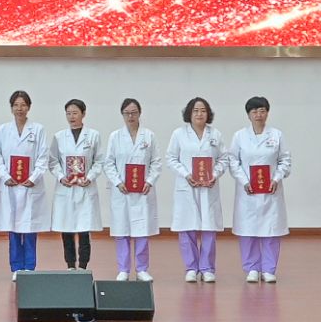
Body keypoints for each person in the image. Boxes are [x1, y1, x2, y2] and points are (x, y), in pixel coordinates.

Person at [228, 96, 291, 284]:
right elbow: (233, 161)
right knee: (248, 230)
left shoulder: (277, 135)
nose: (258, 115)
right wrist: (244, 181)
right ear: (248, 115)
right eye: (254, 111)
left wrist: (276, 178)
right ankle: (252, 268)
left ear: (267, 113)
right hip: (248, 191)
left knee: (271, 230)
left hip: (271, 190)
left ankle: (269, 269)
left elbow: (285, 160)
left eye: (262, 111)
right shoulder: (239, 136)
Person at [166, 97, 227, 284]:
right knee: (187, 227)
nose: (199, 114)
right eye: (195, 110)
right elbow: (171, 158)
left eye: (203, 110)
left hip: (208, 187)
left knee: (209, 228)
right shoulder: (179, 134)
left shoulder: (215, 134)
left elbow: (224, 158)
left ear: (208, 114)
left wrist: (214, 174)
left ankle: (207, 268)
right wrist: (186, 174)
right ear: (189, 113)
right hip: (187, 187)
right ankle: (191, 267)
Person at [0, 90, 50, 281]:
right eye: (16, 105)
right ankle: (16, 267)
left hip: (30, 186)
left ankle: (30, 267)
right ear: (11, 108)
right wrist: (4, 175)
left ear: (29, 107)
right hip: (10, 185)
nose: (19, 108)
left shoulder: (38, 129)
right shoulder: (3, 130)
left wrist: (34, 177)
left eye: (23, 105)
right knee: (13, 229)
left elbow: (43, 157)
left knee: (30, 228)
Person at [103, 98, 161, 282]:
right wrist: (117, 182)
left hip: (143, 191)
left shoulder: (149, 136)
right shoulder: (115, 136)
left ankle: (142, 269)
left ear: (139, 113)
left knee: (142, 230)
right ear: (122, 114)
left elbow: (156, 162)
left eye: (134, 112)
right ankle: (124, 269)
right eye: (127, 113)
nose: (130, 116)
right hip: (122, 191)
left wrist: (150, 181)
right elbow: (108, 163)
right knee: (122, 230)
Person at [49, 99, 103, 272]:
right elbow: (53, 161)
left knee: (84, 230)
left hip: (85, 188)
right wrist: (60, 177)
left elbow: (99, 161)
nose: (71, 117)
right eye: (68, 113)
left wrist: (90, 177)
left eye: (75, 113)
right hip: (66, 188)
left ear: (83, 114)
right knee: (67, 229)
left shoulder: (93, 135)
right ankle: (70, 265)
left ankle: (83, 266)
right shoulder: (59, 137)